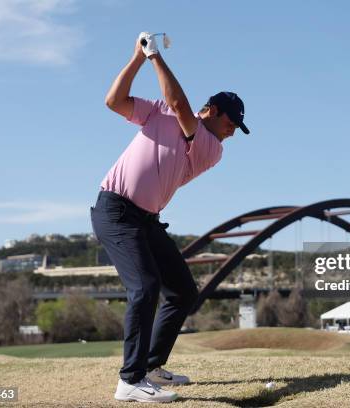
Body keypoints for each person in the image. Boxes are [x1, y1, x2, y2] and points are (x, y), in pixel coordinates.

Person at [90, 32, 249, 403]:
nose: (232, 132)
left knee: (181, 290)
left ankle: (149, 365)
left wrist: (154, 57)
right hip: (115, 211)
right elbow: (114, 101)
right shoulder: (162, 113)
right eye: (232, 122)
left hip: (145, 220)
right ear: (212, 110)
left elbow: (178, 105)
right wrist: (137, 58)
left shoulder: (211, 149)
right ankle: (129, 382)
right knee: (145, 288)